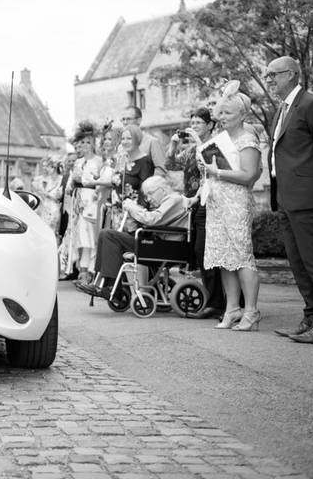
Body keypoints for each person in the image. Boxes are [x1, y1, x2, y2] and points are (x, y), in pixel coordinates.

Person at [266, 57, 313, 344]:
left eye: (274, 74)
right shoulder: (283, 109)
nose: (269, 79)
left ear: (292, 74)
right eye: (267, 74)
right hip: (285, 198)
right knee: (298, 263)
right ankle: (311, 316)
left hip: (307, 198)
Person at [199, 82, 263, 332]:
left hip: (236, 203)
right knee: (224, 258)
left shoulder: (248, 139)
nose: (222, 117)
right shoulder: (220, 139)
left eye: (227, 113)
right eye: (221, 113)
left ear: (242, 115)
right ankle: (232, 308)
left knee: (243, 257)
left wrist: (219, 172)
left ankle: (251, 311)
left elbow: (249, 175)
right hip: (217, 202)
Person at [76, 175, 190, 298]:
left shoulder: (174, 199)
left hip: (162, 246)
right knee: (106, 235)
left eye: (150, 194)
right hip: (157, 243)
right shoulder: (168, 201)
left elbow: (151, 219)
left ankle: (111, 287)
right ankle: (104, 283)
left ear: (161, 190)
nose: (148, 199)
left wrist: (133, 208)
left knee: (108, 235)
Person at [166, 107, 224, 318]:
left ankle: (221, 302)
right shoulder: (190, 150)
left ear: (210, 125)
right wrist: (174, 143)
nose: (195, 127)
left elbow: (210, 164)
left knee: (208, 251)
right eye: (193, 123)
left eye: (199, 123)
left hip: (212, 201)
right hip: (195, 203)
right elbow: (170, 163)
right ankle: (215, 299)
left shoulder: (215, 143)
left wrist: (198, 142)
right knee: (200, 253)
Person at [62, 121, 102, 285]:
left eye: (88, 142)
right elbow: (71, 182)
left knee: (89, 237)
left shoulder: (98, 161)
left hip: (91, 200)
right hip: (78, 202)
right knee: (78, 237)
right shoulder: (78, 162)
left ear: (93, 143)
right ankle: (80, 269)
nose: (85, 145)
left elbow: (100, 181)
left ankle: (88, 270)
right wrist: (71, 185)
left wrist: (84, 180)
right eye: (83, 142)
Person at [112, 125, 155, 209]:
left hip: (133, 213)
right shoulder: (121, 159)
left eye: (129, 138)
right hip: (117, 211)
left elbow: (145, 193)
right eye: (123, 138)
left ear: (137, 139)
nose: (125, 142)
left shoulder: (145, 161)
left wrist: (138, 212)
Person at [120, 106, 167, 175]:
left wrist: (146, 183)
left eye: (128, 119)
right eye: (123, 119)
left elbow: (161, 170)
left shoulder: (152, 142)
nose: (125, 122)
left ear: (139, 120)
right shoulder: (122, 145)